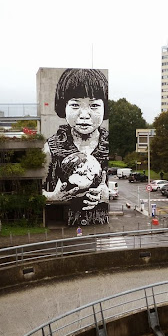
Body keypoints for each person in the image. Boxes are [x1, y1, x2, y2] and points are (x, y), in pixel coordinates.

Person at [43, 69, 110, 225]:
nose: (84, 114)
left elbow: (119, 191)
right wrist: (52, 197)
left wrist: (106, 195)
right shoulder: (51, 148)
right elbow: (32, 190)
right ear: (63, 106)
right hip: (60, 228)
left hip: (101, 228)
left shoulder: (108, 146)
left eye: (94, 105)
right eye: (75, 105)